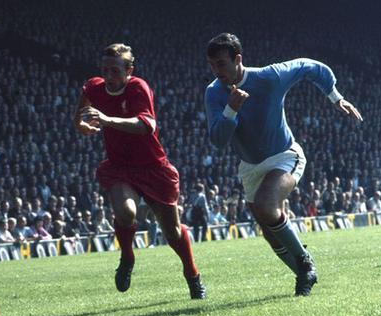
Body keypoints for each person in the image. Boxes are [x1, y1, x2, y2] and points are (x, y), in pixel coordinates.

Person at [204, 33, 362, 296]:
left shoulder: (269, 77)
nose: (215, 70)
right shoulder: (214, 93)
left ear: (238, 59)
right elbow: (218, 140)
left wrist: (335, 97)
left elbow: (310, 66)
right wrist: (230, 110)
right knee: (268, 230)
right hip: (250, 167)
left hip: (284, 155)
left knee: (267, 205)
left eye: (221, 63)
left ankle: (304, 261)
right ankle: (303, 276)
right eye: (211, 65)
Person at [74, 43, 205, 299]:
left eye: (114, 70)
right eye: (105, 69)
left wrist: (107, 120)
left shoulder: (138, 88)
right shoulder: (94, 86)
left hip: (153, 167)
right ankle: (127, 257)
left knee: (173, 232)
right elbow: (80, 114)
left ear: (129, 70)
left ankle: (192, 274)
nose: (108, 76)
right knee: (126, 213)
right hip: (120, 167)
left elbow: (147, 125)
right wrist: (81, 124)